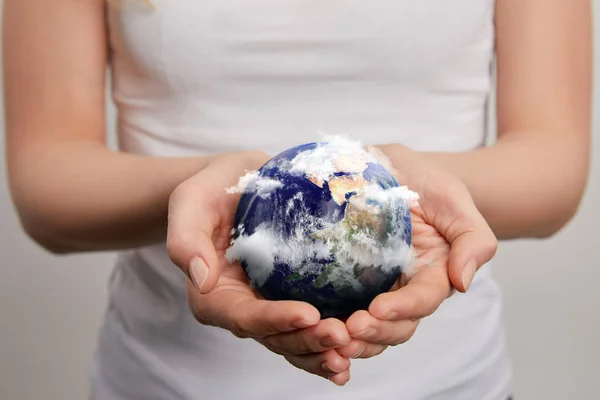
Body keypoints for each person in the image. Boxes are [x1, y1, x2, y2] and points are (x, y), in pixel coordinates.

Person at [3, 0, 591, 399]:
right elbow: (48, 181)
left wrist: (401, 185)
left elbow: (552, 164)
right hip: (163, 382)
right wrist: (214, 190)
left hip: (453, 383)